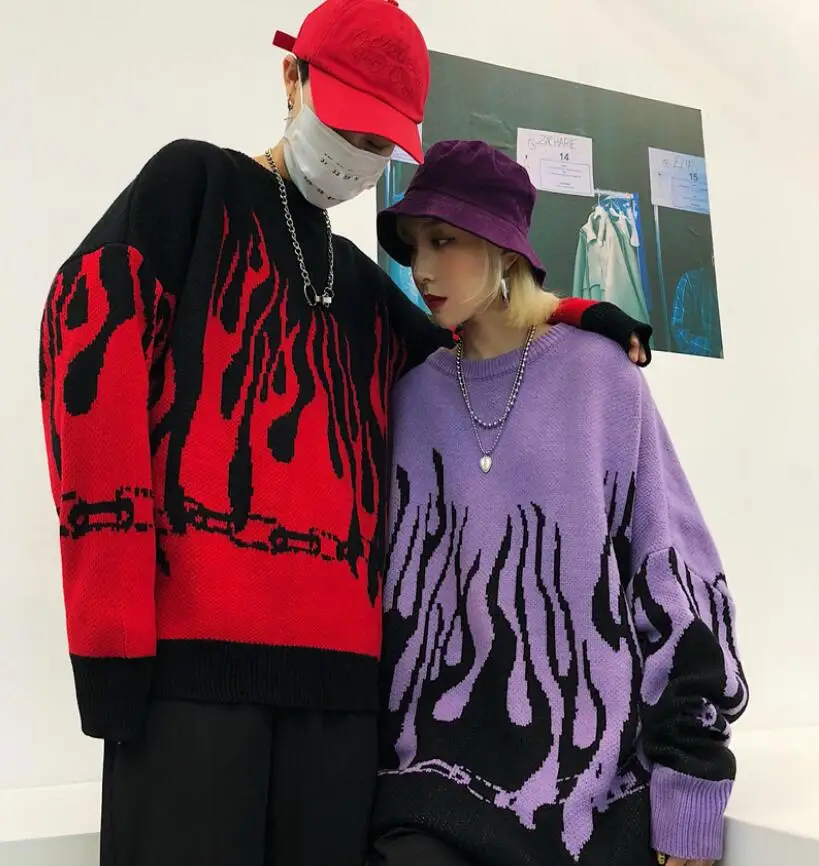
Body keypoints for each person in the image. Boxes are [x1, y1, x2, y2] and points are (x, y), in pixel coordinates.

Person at [37, 2, 651, 865]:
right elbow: (86, 353)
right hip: (191, 673)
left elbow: (469, 343)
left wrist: (576, 314)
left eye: (377, 144)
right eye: (347, 129)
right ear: (291, 78)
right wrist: (110, 639)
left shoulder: (360, 286)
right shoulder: (193, 187)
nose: (356, 158)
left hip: (344, 696)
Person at [371, 140, 748, 866]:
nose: (421, 268)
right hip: (428, 798)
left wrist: (690, 790)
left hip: (593, 804)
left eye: (443, 241)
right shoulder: (410, 396)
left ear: (502, 249)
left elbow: (674, 580)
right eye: (415, 245)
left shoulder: (600, 377)